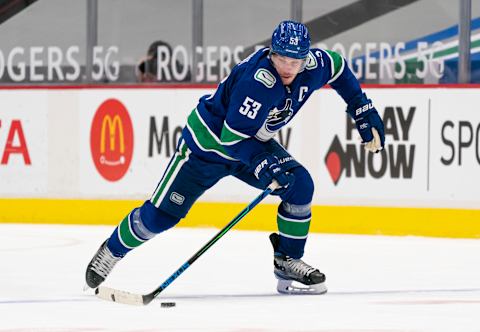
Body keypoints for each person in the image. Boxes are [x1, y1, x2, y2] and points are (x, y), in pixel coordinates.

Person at [86, 20, 385, 295]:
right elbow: (231, 137)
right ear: (271, 53)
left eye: (295, 61)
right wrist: (262, 162)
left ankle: (288, 260)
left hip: (250, 142)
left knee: (300, 185)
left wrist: (361, 108)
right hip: (206, 148)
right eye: (282, 58)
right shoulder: (257, 81)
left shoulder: (313, 64)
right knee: (160, 217)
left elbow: (339, 68)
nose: (288, 67)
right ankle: (111, 251)